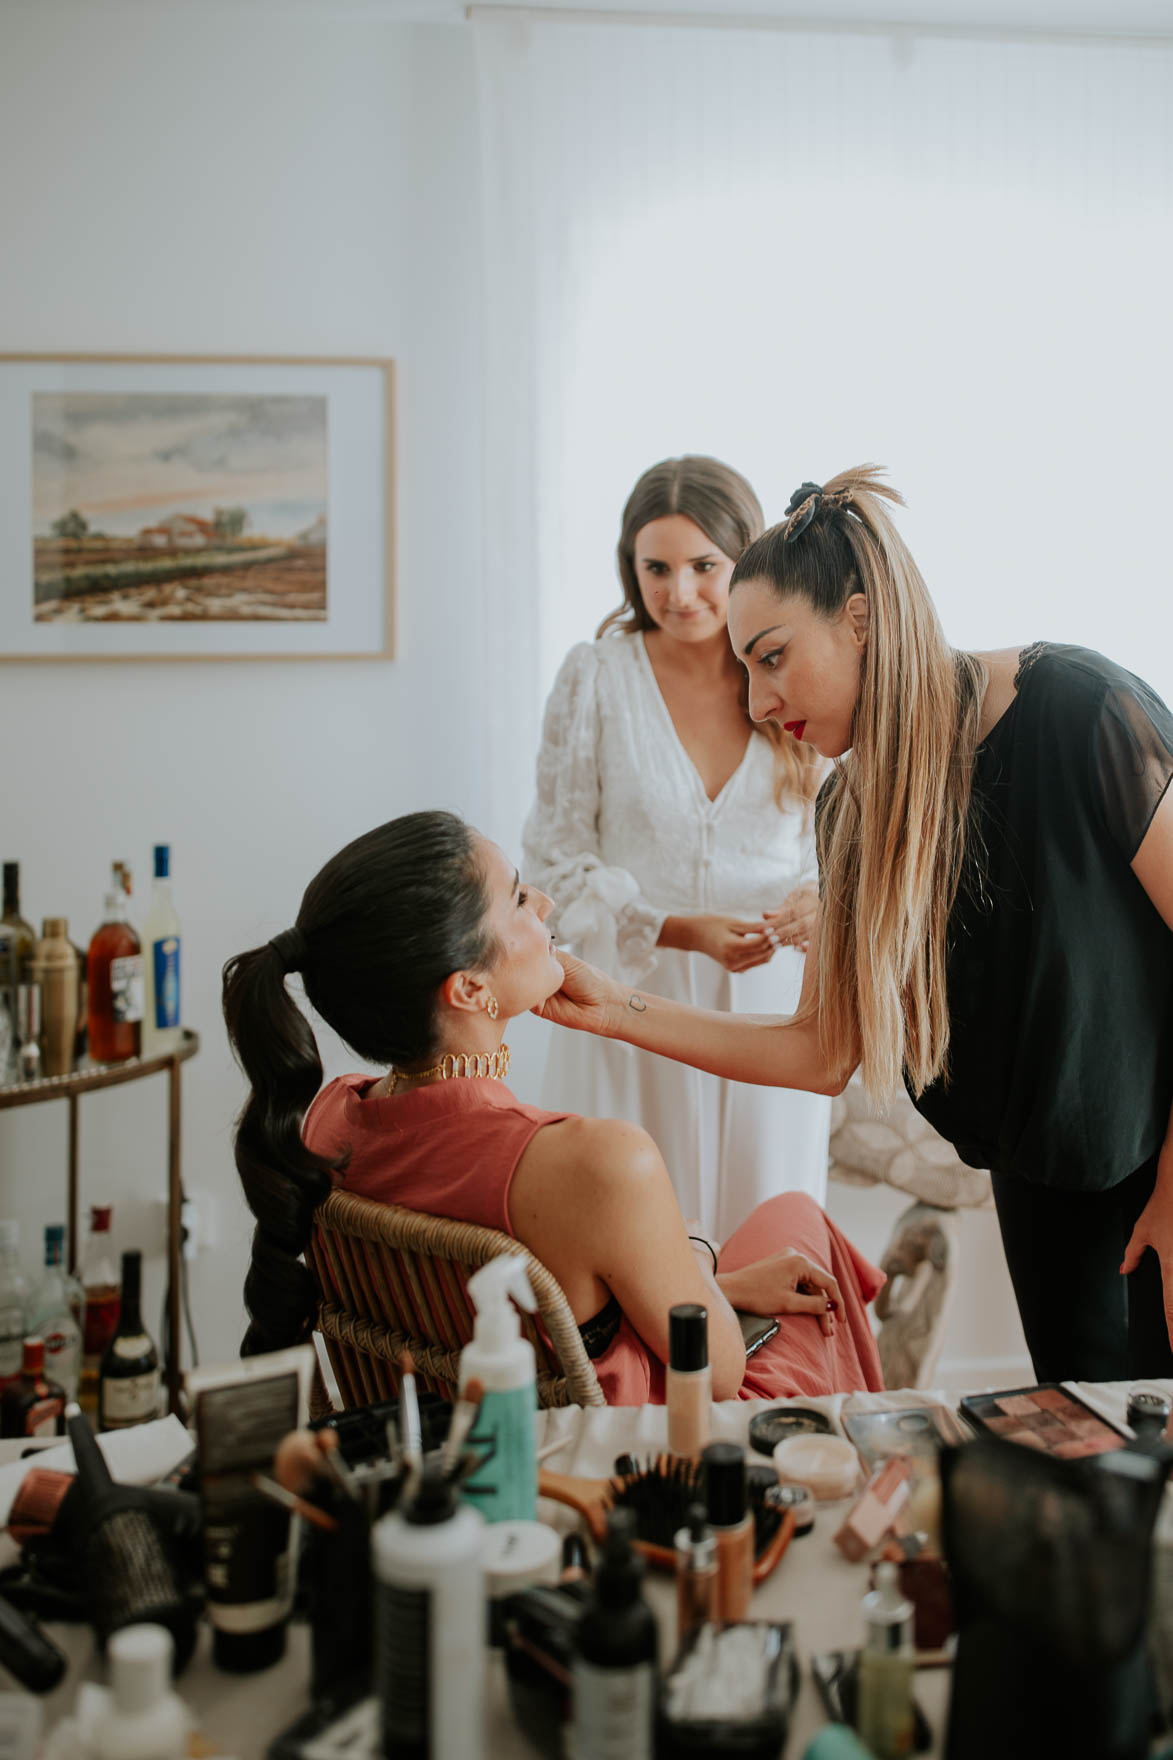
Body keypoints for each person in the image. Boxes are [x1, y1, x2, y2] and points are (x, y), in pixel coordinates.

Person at [537, 466, 1173, 1386]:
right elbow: (820, 1050)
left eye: (770, 656)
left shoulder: (1080, 711)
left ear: (860, 618)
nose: (757, 702)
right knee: (1088, 1462)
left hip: (1157, 1157)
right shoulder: (848, 810)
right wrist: (611, 1010)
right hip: (1043, 1191)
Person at [221, 811, 884, 1406]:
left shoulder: (328, 1121)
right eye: (515, 897)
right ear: (470, 987)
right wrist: (691, 1251)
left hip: (463, 1441)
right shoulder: (593, 1164)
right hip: (653, 1452)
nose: (543, 900)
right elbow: (715, 1371)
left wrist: (716, 1278)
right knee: (796, 1215)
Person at [524, 456, 829, 1240]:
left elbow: (835, 845)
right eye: (654, 567)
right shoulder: (595, 678)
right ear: (629, 567)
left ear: (746, 562)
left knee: (765, 1234)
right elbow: (555, 857)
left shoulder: (793, 668)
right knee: (634, 1239)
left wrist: (815, 898)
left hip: (772, 1010)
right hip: (629, 997)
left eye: (704, 566)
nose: (680, 593)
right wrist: (676, 928)